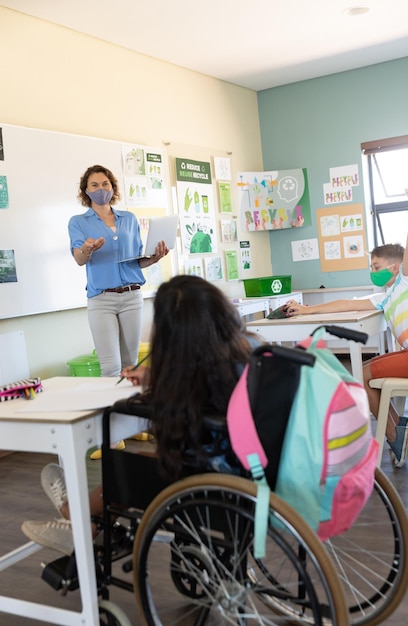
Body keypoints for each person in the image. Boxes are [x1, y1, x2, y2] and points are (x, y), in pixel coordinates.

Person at [21, 275, 261, 555]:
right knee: (142, 464)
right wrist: (157, 376)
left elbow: (180, 426)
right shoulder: (249, 349)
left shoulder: (200, 376)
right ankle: (88, 526)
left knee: (126, 469)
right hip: (255, 471)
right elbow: (198, 375)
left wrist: (160, 386)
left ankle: (73, 511)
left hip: (216, 481)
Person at [283, 187, 408, 468]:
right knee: (362, 374)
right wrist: (308, 309)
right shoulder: (384, 296)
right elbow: (346, 304)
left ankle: (394, 432)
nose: (372, 270)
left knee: (360, 375)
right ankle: (397, 428)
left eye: (377, 265)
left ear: (395, 267)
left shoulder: (407, 278)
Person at [69, 164, 169, 459]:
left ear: (112, 186)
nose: (101, 189)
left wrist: (155, 257)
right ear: (86, 191)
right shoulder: (79, 222)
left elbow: (135, 261)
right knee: (110, 368)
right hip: (101, 299)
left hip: (132, 296)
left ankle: (131, 424)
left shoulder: (129, 219)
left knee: (130, 364)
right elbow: (78, 259)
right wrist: (87, 248)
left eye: (105, 183)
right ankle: (110, 435)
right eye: (94, 185)